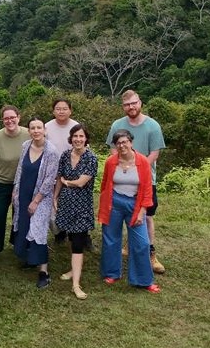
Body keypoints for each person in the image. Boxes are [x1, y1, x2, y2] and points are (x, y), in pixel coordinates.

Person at [106, 89, 166, 273]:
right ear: (122, 106)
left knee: (146, 216)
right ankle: (126, 246)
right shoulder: (117, 124)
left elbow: (154, 153)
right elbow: (113, 150)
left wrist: (139, 171)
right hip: (120, 180)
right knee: (120, 213)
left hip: (146, 179)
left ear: (140, 102)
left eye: (134, 103)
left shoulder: (152, 126)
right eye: (127, 104)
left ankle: (150, 252)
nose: (131, 107)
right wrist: (124, 170)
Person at [98, 128, 160, 293]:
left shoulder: (142, 162)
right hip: (114, 202)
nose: (122, 146)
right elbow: (105, 184)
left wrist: (141, 212)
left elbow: (147, 190)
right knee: (111, 239)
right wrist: (105, 204)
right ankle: (112, 273)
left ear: (131, 143)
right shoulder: (111, 162)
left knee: (142, 243)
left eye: (124, 142)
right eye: (118, 143)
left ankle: (143, 280)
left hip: (135, 204)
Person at [11, 118, 60, 289]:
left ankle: (43, 271)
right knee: (24, 226)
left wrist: (36, 201)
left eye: (39, 128)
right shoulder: (25, 145)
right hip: (23, 193)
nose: (36, 131)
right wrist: (15, 189)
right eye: (33, 128)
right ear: (29, 130)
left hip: (41, 197)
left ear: (44, 130)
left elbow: (49, 180)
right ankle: (29, 259)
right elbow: (20, 169)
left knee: (38, 230)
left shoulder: (51, 151)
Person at [53, 123, 98, 300]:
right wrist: (55, 197)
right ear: (71, 138)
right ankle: (73, 269)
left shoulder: (91, 158)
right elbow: (59, 177)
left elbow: (81, 182)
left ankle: (76, 285)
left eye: (81, 136)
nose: (78, 139)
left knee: (78, 242)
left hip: (82, 206)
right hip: (65, 204)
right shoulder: (65, 155)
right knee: (72, 238)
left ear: (86, 139)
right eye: (75, 136)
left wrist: (67, 182)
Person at [0, 105, 29, 257]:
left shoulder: (29, 134)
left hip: (21, 184)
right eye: (6, 118)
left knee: (21, 216)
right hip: (0, 183)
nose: (9, 121)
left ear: (18, 117)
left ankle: (19, 246)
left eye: (12, 117)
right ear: (2, 120)